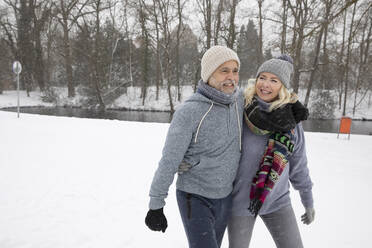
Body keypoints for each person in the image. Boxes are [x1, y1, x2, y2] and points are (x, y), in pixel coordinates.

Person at [145, 45, 244, 248]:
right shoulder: (189, 111)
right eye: (224, 70)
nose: (231, 77)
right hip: (195, 196)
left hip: (226, 197)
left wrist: (292, 107)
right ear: (209, 73)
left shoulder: (239, 102)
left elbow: (270, 95)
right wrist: (156, 204)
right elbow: (170, 160)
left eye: (235, 71)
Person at [227, 55, 315, 248]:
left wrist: (307, 199)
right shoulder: (240, 109)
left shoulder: (291, 122)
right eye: (262, 77)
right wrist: (193, 161)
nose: (265, 84)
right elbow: (217, 144)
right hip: (241, 201)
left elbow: (299, 165)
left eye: (273, 80)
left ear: (282, 86)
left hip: (277, 200)